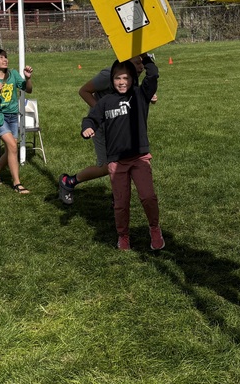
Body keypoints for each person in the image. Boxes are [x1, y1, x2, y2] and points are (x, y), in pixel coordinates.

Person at [81, 55, 162, 251]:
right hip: (117, 161)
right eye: (118, 78)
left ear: (133, 79)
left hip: (139, 157)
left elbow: (153, 74)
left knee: (148, 196)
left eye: (126, 78)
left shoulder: (140, 96)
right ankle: (123, 235)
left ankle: (154, 229)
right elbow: (91, 118)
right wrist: (87, 127)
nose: (122, 82)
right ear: (112, 80)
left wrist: (144, 57)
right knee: (120, 203)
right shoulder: (106, 101)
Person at [58, 54, 156, 205]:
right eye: (138, 63)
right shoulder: (107, 75)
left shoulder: (132, 78)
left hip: (120, 126)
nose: (141, 67)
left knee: (124, 160)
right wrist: (102, 113)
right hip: (102, 126)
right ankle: (69, 181)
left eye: (142, 63)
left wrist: (146, 97)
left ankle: (118, 196)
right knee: (107, 166)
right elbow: (84, 91)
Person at [0, 48, 34, 194]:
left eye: (6, 57)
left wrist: (28, 78)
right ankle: (17, 184)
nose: (5, 60)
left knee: (11, 148)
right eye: (1, 58)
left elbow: (28, 90)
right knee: (12, 145)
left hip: (13, 116)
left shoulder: (13, 74)